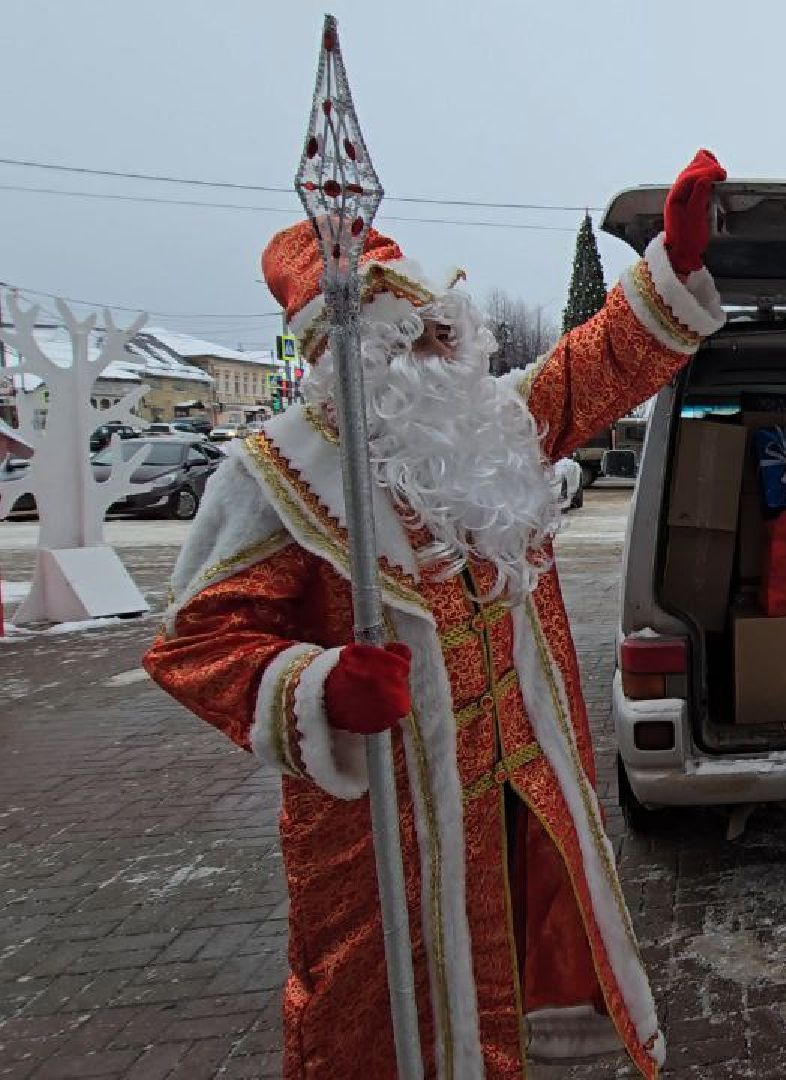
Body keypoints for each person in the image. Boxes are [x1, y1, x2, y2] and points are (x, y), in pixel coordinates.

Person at [142, 150, 730, 1078]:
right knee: (384, 1009)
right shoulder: (278, 476)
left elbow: (595, 366)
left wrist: (673, 265)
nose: (435, 356)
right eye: (409, 340)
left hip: (521, 774)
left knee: (527, 965)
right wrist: (316, 687)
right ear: (349, 357)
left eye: (441, 334)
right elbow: (196, 641)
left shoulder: (489, 425)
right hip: (387, 814)